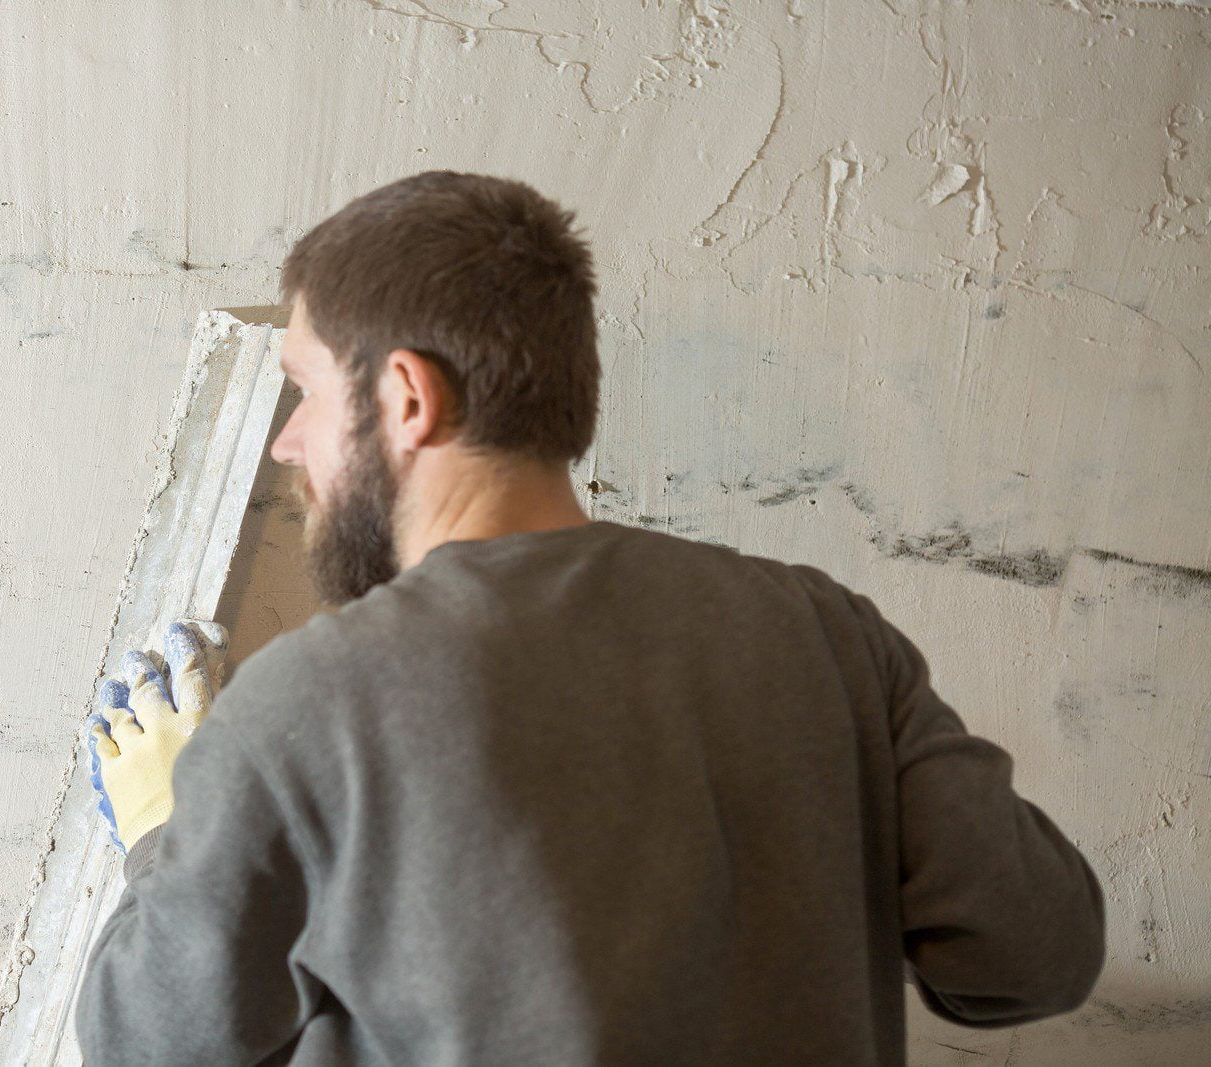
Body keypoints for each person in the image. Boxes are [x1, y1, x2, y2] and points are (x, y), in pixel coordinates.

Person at [76, 171, 1106, 1065]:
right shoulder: (826, 634)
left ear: (404, 396)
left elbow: (150, 1043)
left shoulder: (314, 700)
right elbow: (1037, 953)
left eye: (303, 388)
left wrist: (169, 827)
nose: (290, 444)